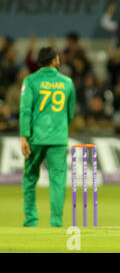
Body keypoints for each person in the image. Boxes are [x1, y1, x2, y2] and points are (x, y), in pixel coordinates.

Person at [19, 47, 76, 227]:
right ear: (55, 60)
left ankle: (31, 221)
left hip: (36, 138)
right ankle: (56, 222)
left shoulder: (30, 81)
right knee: (58, 181)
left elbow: (25, 110)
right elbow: (71, 113)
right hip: (58, 139)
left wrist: (23, 136)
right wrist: (60, 127)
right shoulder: (67, 82)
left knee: (29, 178)